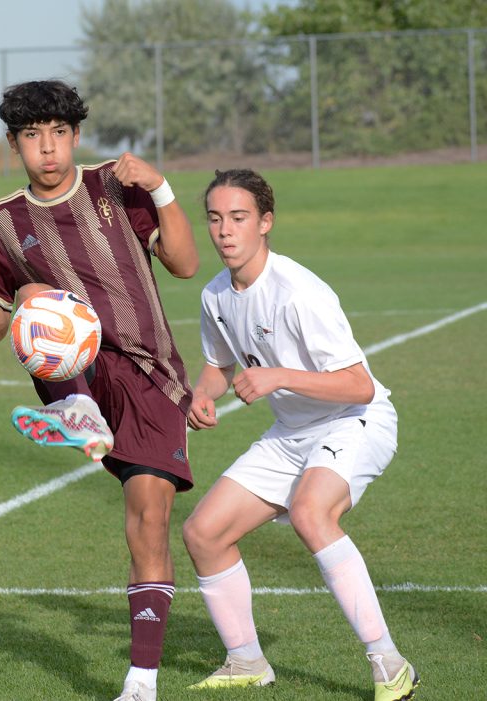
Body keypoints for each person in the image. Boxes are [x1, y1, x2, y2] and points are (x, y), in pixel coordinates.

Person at [0, 80, 199, 701]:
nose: (48, 149)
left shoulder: (116, 185)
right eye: (32, 137)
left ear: (77, 136)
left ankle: (141, 682)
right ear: (14, 144)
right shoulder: (0, 223)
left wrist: (162, 189)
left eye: (58, 133)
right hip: (81, 367)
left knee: (149, 520)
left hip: (149, 374)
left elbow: (186, 264)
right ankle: (76, 406)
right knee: (31, 301)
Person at [182, 169, 417, 701]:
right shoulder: (216, 294)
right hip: (290, 432)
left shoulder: (298, 292)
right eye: (216, 219)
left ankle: (390, 662)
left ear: (265, 223)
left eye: (238, 218)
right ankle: (245, 660)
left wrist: (278, 375)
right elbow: (220, 364)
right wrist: (202, 393)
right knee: (204, 533)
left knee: (312, 513)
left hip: (355, 421)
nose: (224, 231)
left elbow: (358, 386)